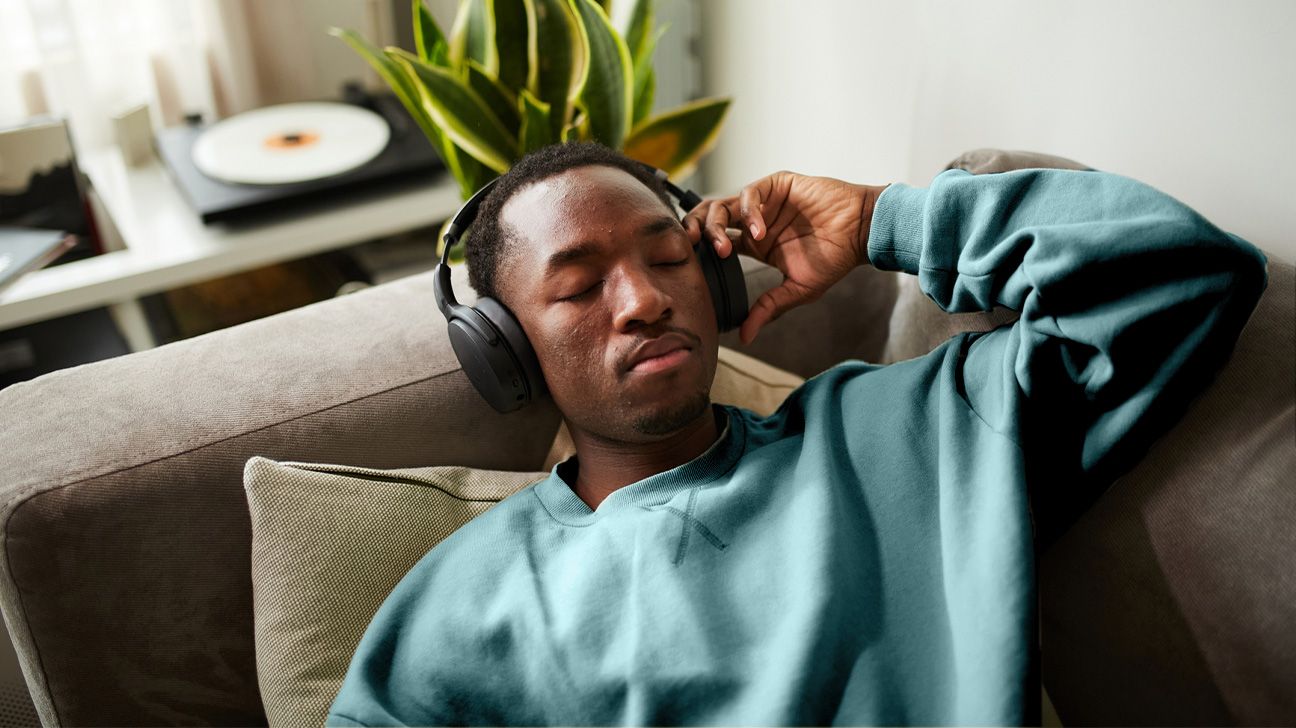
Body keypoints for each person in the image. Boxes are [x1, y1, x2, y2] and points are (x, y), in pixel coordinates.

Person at [326, 142, 1268, 726]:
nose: (648, 299)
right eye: (579, 286)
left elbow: (1179, 272)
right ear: (506, 351)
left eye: (669, 258)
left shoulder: (910, 428)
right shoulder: (462, 600)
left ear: (721, 281)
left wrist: (877, 220)